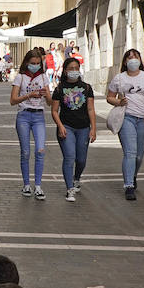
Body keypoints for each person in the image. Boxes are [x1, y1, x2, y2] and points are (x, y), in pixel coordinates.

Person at [106, 49, 144, 201]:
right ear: (125, 62)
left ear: (140, 60)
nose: (132, 60)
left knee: (139, 155)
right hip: (126, 118)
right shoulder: (119, 78)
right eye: (129, 57)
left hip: (143, 119)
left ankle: (133, 175)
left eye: (135, 57)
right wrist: (118, 102)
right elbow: (109, 97)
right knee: (130, 152)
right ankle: (128, 185)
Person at [50, 56, 97, 202]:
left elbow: (90, 109)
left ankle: (76, 178)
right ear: (64, 71)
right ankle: (69, 188)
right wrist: (60, 126)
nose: (74, 71)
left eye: (76, 68)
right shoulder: (59, 89)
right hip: (67, 127)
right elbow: (54, 111)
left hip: (83, 128)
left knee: (81, 159)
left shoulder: (86, 88)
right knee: (69, 157)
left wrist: (93, 128)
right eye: (71, 69)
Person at [10, 46, 54, 199]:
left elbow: (49, 102)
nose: (35, 65)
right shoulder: (20, 77)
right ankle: (26, 184)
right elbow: (13, 100)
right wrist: (29, 95)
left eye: (37, 63)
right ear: (27, 62)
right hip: (24, 115)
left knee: (40, 150)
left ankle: (39, 186)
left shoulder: (43, 77)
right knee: (25, 151)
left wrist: (46, 95)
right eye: (32, 62)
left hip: (39, 116)